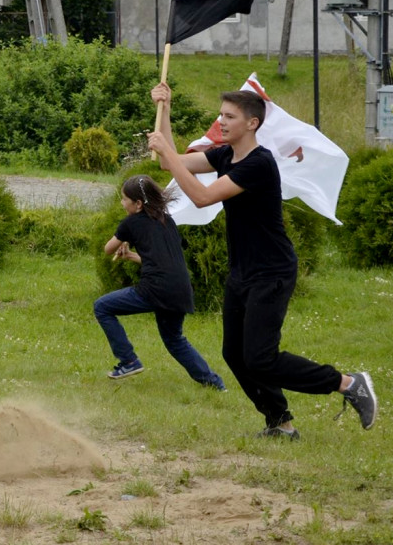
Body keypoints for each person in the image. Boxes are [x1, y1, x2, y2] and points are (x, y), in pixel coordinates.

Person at [147, 82, 377, 439]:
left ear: (252, 123)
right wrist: (166, 110)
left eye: (229, 116)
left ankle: (348, 383)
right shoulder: (223, 156)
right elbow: (167, 162)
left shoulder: (258, 164)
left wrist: (169, 153)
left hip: (272, 271)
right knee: (235, 354)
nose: (221, 121)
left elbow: (203, 196)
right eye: (221, 114)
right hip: (243, 270)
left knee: (260, 357)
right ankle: (280, 423)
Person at [97, 174, 226, 390]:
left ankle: (128, 361)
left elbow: (108, 249)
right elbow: (163, 262)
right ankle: (214, 383)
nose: (122, 203)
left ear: (138, 204)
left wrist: (125, 239)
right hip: (180, 288)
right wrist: (133, 256)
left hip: (155, 289)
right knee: (175, 340)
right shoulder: (167, 220)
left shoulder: (130, 222)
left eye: (124, 199)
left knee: (102, 307)